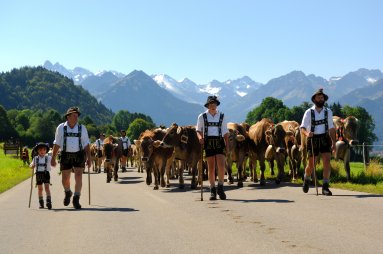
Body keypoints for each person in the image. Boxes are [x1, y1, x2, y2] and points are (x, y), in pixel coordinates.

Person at [51, 107, 91, 209]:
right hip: (65, 154)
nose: (76, 117)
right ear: (68, 116)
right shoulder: (61, 127)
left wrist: (89, 158)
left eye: (77, 115)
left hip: (79, 154)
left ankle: (76, 198)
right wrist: (53, 157)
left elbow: (86, 144)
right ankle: (68, 192)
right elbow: (57, 143)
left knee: (78, 176)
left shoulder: (82, 128)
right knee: (65, 179)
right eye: (74, 115)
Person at [300, 88, 336, 196]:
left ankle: (325, 187)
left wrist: (334, 142)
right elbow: (302, 127)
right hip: (313, 139)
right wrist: (307, 134)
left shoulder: (328, 112)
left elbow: (331, 128)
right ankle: (306, 178)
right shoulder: (308, 112)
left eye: (322, 98)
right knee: (311, 164)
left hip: (325, 138)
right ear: (314, 99)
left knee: (326, 162)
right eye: (319, 97)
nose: (321, 99)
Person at [196, 95, 229, 200]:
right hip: (208, 142)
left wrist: (227, 145)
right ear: (208, 105)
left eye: (214, 103)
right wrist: (200, 137)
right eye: (210, 104)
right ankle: (212, 190)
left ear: (216, 104)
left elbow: (225, 132)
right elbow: (198, 130)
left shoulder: (222, 116)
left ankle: (220, 187)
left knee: (221, 165)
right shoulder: (202, 116)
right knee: (211, 167)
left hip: (219, 141)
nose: (212, 105)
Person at [30, 142, 53, 209]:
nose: (42, 151)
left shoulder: (48, 158)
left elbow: (53, 162)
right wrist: (32, 166)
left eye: (44, 150)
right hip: (38, 174)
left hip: (46, 174)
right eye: (40, 150)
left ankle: (48, 201)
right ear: (37, 151)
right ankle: (41, 202)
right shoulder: (35, 158)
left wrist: (54, 163)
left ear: (46, 151)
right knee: (40, 189)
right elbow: (31, 165)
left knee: (47, 188)